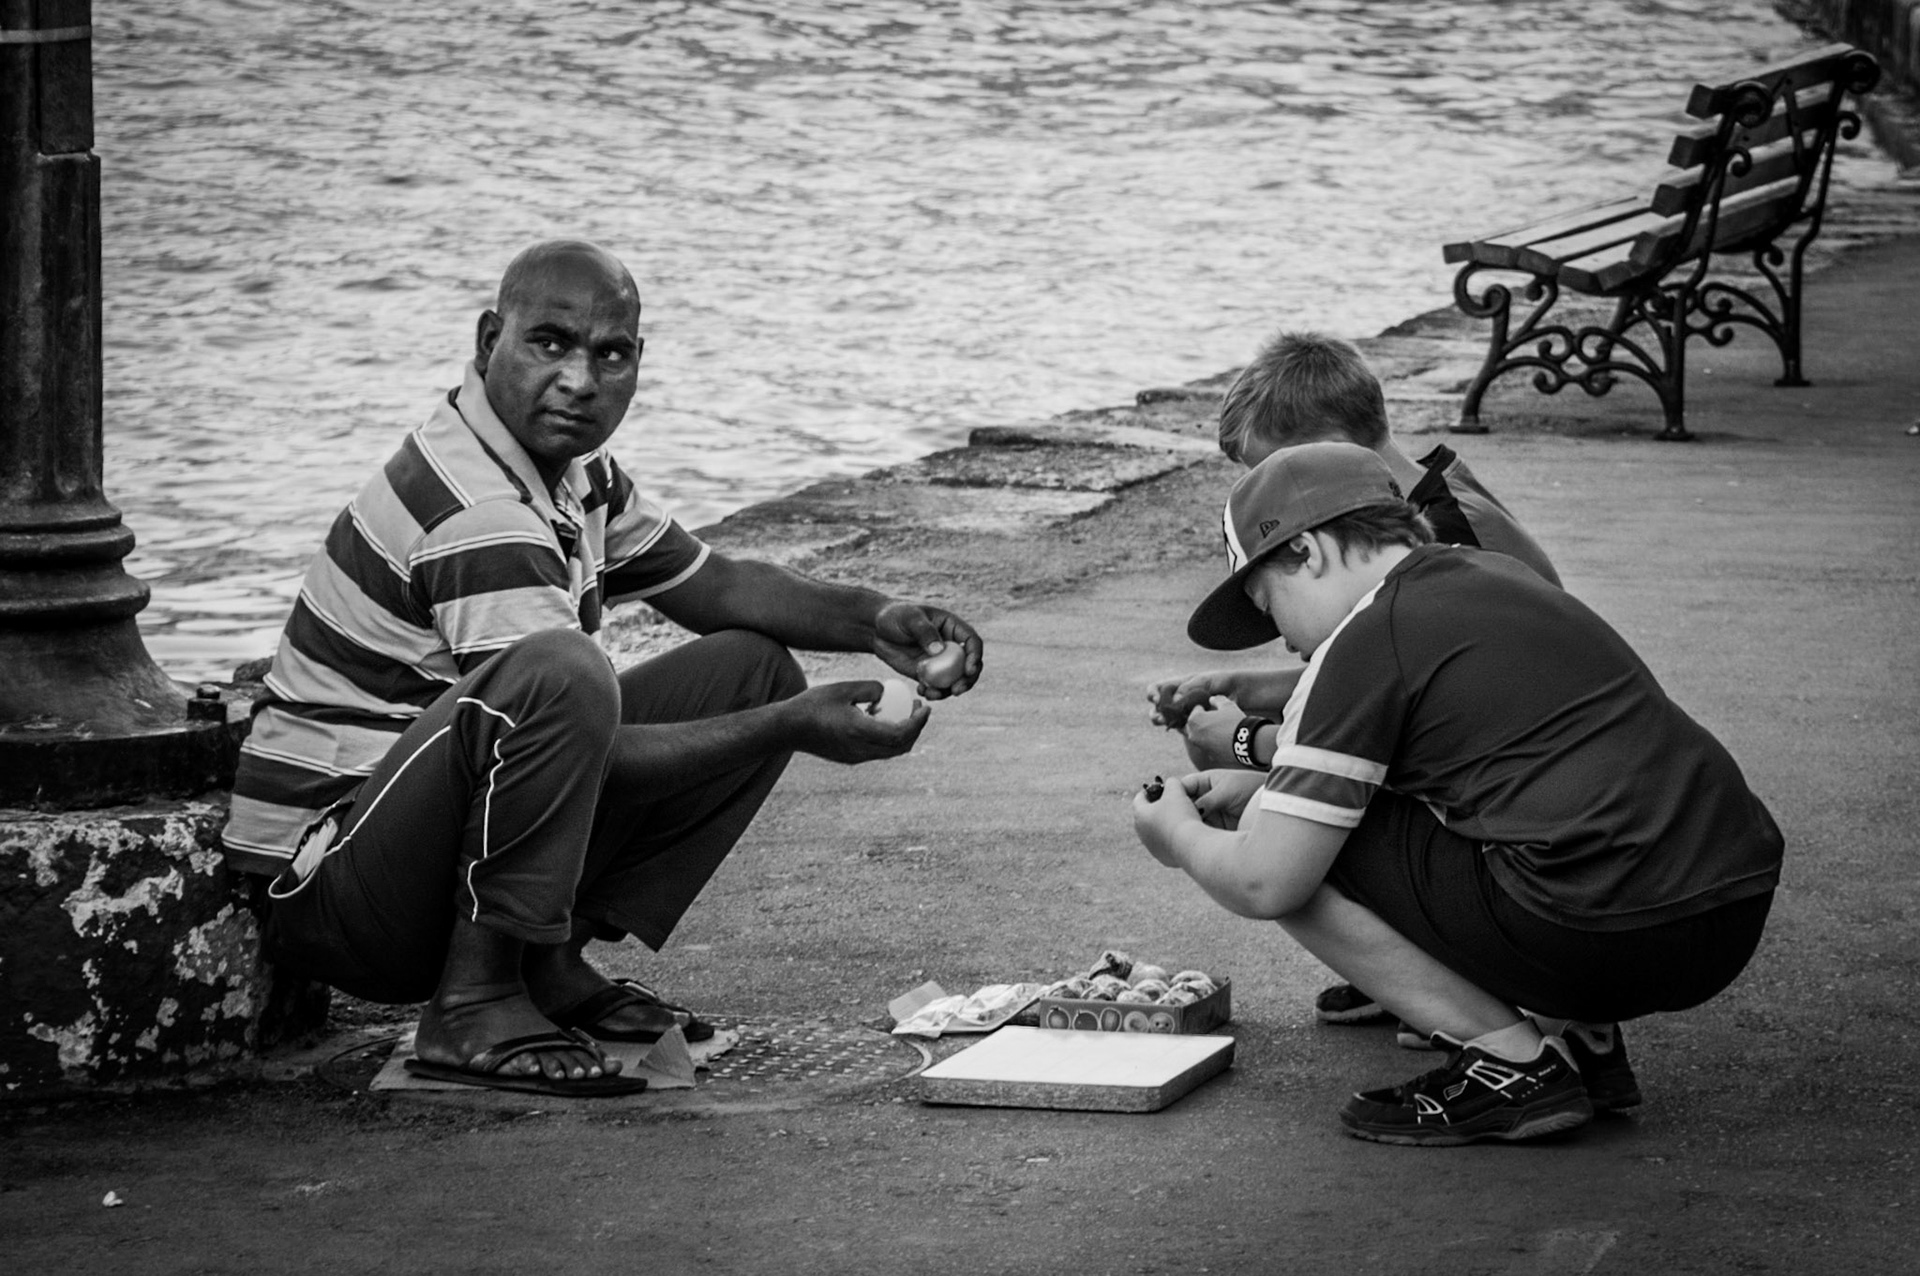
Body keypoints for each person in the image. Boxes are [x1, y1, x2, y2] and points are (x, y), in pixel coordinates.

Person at [222, 240, 984, 1096]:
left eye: (609, 354)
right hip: (337, 895)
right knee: (564, 673)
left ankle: (544, 964)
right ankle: (472, 998)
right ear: (487, 343)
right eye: (549, 343)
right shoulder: (478, 510)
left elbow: (717, 585)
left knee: (747, 669)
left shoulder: (573, 475)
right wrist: (794, 727)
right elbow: (585, 745)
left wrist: (875, 619)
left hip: (419, 862)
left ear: (636, 363)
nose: (580, 380)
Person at [1132, 442, 1782, 1145]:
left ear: (1311, 553)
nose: (1284, 639)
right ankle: (1583, 1038)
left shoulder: (1365, 641)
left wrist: (1177, 836)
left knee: (1274, 831)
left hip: (1604, 925)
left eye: (1270, 604)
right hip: (1726, 910)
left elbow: (1266, 882)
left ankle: (1510, 1066)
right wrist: (1259, 768)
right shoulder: (1493, 575)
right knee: (1522, 807)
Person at [1148, 330, 1561, 1032]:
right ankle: (1428, 958)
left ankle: (1466, 989)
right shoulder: (1428, 501)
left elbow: (1392, 725)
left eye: (1280, 470)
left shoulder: (1445, 537)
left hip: (1517, 825)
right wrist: (1248, 688)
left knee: (1278, 819)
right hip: (1533, 803)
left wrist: (1246, 741)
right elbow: (1394, 677)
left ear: (1335, 448)